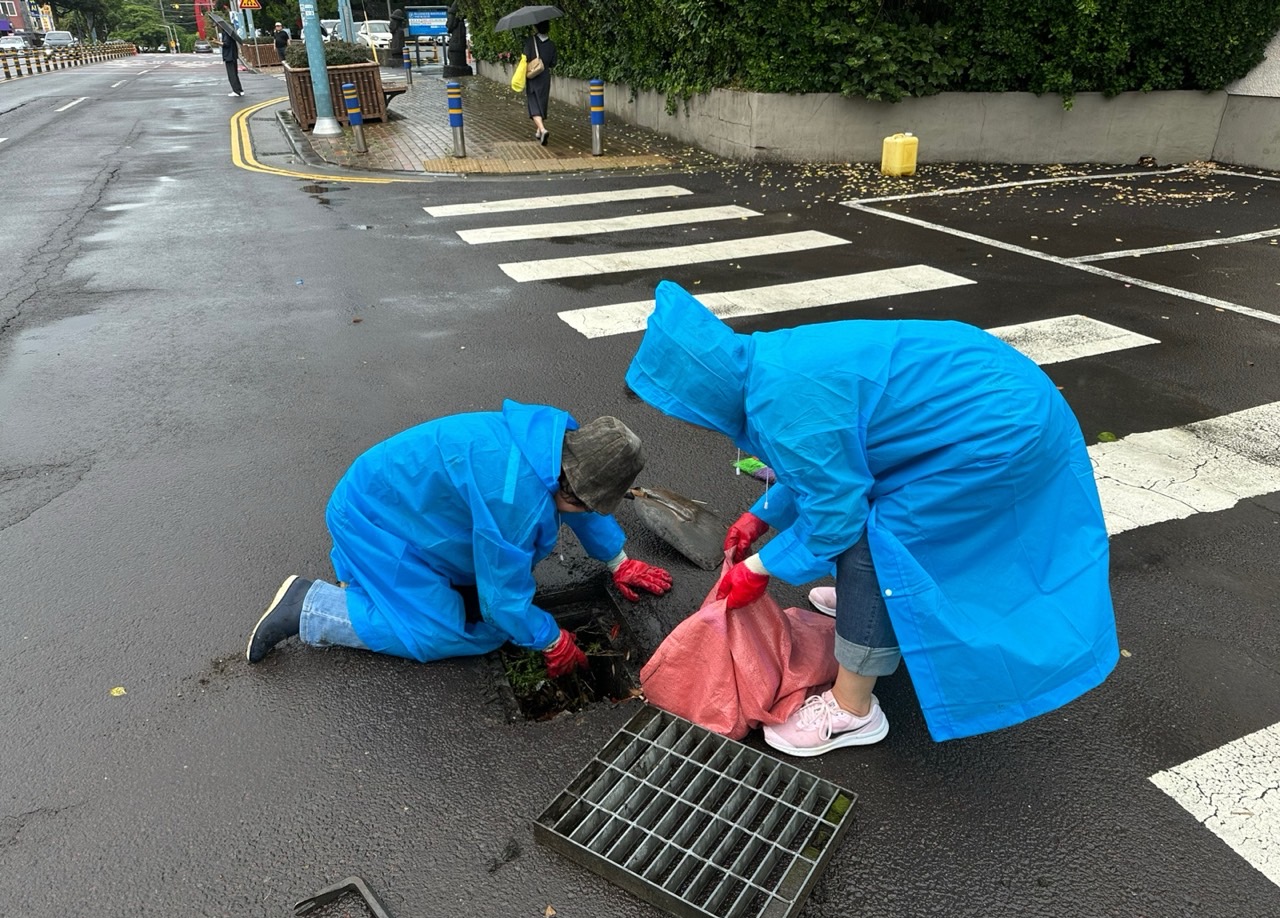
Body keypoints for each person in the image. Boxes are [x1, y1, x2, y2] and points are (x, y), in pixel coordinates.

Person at [625, 281, 1118, 755]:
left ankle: (853, 708)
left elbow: (838, 514)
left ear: (697, 389)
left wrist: (761, 568)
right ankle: (878, 608)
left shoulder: (784, 405)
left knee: (877, 539)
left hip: (998, 427)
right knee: (868, 527)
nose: (683, 417)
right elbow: (828, 469)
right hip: (989, 388)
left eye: (677, 405)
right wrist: (761, 515)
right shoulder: (765, 366)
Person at [247, 402, 673, 676]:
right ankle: (312, 607)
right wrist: (549, 637)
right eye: (591, 503)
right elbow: (502, 603)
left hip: (396, 499)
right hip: (372, 519)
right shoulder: (514, 501)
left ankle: (370, 582)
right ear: (571, 490)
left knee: (485, 594)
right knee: (452, 634)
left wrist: (617, 559)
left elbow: (582, 503)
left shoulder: (558, 441)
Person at [523, 20, 556, 146]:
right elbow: (553, 63)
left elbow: (525, 57)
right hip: (544, 77)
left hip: (532, 76)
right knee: (542, 102)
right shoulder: (551, 44)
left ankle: (542, 129)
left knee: (533, 104)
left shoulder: (531, 41)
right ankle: (538, 130)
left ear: (536, 27)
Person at [210, 7, 243, 96]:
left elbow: (226, 44)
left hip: (229, 56)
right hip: (233, 55)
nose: (216, 25)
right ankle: (240, 90)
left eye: (217, 24)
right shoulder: (228, 32)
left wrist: (216, 42)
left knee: (231, 75)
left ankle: (236, 91)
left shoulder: (226, 33)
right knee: (235, 74)